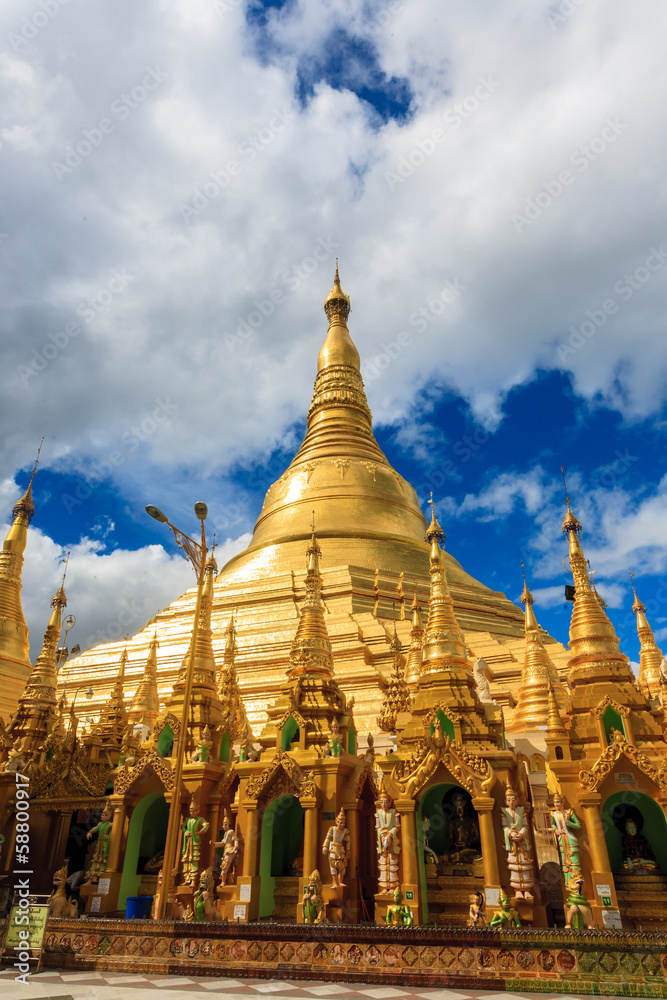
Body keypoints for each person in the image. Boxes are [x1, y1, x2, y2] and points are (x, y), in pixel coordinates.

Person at [500, 786, 533, 899]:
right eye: (509, 800)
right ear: (505, 801)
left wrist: (521, 834)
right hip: (512, 842)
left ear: (517, 800)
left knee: (524, 865)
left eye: (513, 799)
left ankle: (527, 889)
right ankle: (517, 890)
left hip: (522, 842)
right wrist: (511, 833)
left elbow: (525, 825)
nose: (511, 802)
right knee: (514, 865)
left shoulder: (521, 811)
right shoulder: (505, 812)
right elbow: (504, 827)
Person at [550, 793, 582, 889]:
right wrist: (555, 829)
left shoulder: (569, 813)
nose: (556, 804)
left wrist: (569, 823)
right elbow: (552, 824)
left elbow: (579, 825)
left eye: (558, 802)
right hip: (561, 840)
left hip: (570, 839)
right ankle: (569, 886)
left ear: (562, 803)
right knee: (565, 864)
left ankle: (578, 885)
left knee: (574, 862)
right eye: (555, 802)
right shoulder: (553, 814)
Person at [375, 787, 400, 892]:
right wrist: (382, 834)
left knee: (392, 863)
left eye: (386, 802)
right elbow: (377, 827)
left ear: (390, 803)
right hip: (382, 839)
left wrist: (390, 833)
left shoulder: (393, 812)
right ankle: (385, 887)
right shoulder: (378, 813)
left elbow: (397, 826)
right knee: (383, 864)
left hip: (392, 839)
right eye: (381, 802)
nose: (384, 804)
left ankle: (393, 887)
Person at [180, 798, 210, 885]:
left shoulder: (200, 819)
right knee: (185, 860)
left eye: (193, 811)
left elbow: (206, 825)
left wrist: (200, 832)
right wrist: (185, 832)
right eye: (190, 811)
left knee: (194, 859)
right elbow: (183, 827)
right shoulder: (188, 819)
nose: (191, 813)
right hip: (187, 842)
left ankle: (193, 881)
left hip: (195, 842)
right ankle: (186, 879)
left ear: (198, 810)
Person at [447, 791, 481, 864]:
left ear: (465, 807)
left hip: (469, 849)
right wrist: (446, 850)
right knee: (448, 856)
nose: (459, 810)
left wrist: (467, 842)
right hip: (457, 849)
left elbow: (477, 837)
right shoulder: (452, 823)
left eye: (461, 807)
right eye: (457, 808)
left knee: (475, 855)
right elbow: (450, 839)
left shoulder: (472, 822)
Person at [84, 800, 113, 884]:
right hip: (99, 845)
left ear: (108, 817)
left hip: (105, 846)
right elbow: (95, 829)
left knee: (103, 861)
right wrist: (90, 832)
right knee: (95, 860)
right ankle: (91, 879)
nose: (102, 816)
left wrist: (109, 837)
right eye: (102, 815)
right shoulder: (100, 824)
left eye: (104, 815)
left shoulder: (110, 825)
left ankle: (101, 879)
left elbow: (115, 834)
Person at [322, 808, 351, 887]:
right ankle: (336, 883)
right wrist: (325, 846)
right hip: (333, 850)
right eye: (340, 822)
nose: (342, 824)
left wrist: (348, 849)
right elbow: (327, 838)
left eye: (343, 823)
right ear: (336, 822)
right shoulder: (332, 829)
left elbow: (348, 840)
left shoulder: (345, 831)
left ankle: (339, 882)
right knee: (333, 867)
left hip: (341, 850)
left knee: (343, 868)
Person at [213, 815, 239, 886]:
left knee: (225, 866)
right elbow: (222, 843)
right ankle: (225, 881)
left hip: (230, 850)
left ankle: (223, 882)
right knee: (225, 867)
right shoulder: (225, 834)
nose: (223, 826)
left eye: (225, 824)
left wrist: (236, 846)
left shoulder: (230, 832)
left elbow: (235, 839)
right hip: (226, 851)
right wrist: (214, 844)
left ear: (229, 825)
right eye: (223, 825)